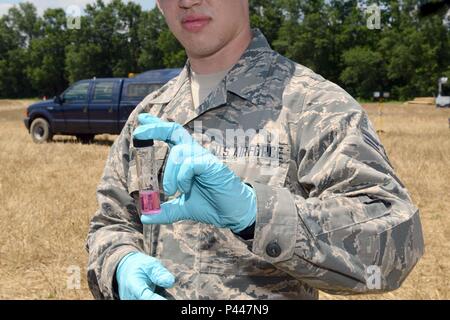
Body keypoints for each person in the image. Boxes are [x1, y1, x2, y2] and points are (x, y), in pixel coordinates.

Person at [86, 0, 424, 300]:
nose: (187, 2)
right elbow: (111, 222)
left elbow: (396, 244)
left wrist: (257, 216)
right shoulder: (150, 115)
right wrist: (120, 263)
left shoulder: (314, 105)